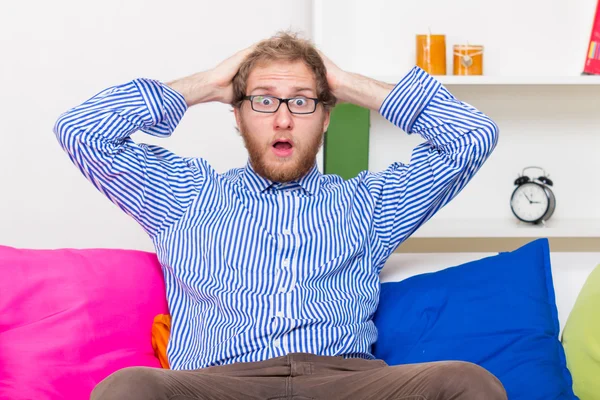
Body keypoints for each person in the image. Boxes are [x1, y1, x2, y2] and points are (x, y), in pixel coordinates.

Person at [54, 31, 505, 400]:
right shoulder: (184, 194)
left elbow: (471, 135)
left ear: (326, 118)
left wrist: (347, 83)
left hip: (344, 383)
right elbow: (82, 130)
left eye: (302, 101)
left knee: (469, 383)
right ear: (237, 114)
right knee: (126, 388)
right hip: (218, 384)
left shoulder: (371, 204)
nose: (284, 119)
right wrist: (207, 83)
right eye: (264, 101)